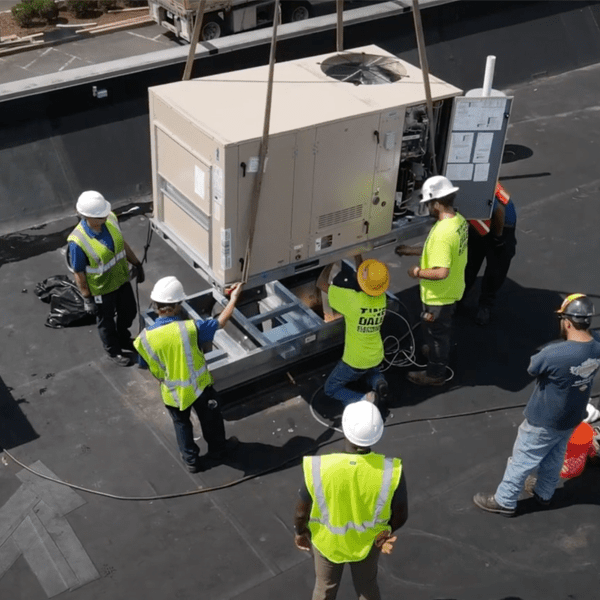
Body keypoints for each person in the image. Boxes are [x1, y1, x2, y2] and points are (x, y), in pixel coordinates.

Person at [473, 294, 600, 516]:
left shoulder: (554, 353)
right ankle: (544, 493)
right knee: (555, 455)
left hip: (545, 418)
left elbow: (533, 369)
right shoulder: (597, 345)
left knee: (521, 460)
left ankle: (504, 500)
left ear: (567, 322)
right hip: (573, 416)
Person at [294, 400, 408, 600]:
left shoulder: (320, 467)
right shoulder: (390, 471)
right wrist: (386, 532)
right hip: (368, 543)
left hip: (328, 543)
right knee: (367, 587)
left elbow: (301, 513)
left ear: (345, 428)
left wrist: (300, 533)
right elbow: (401, 514)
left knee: (324, 587)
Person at [134, 276, 243, 473]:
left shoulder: (144, 338)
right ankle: (218, 451)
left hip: (171, 391)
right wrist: (234, 298)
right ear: (176, 306)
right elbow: (220, 322)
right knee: (211, 420)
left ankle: (191, 460)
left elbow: (145, 364)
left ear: (157, 304)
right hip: (199, 387)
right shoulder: (191, 328)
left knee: (181, 424)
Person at [396, 175, 468, 386]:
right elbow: (436, 252)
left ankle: (435, 373)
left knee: (437, 334)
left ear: (437, 203)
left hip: (439, 296)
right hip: (452, 290)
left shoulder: (443, 234)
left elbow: (441, 271)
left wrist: (417, 272)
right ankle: (434, 350)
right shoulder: (458, 221)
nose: (427, 207)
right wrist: (410, 251)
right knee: (436, 329)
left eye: (428, 203)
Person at [68, 191, 144, 367]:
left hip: (121, 280)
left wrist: (136, 263)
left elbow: (121, 243)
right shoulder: (78, 241)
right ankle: (114, 351)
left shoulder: (110, 219)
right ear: (87, 216)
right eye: (99, 216)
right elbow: (79, 273)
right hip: (102, 289)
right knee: (106, 322)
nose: (104, 217)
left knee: (129, 311)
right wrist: (87, 298)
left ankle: (124, 338)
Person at [317, 256, 389, 407]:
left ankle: (365, 398)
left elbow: (321, 283)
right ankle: (378, 381)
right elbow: (366, 281)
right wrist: (357, 255)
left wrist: (330, 261)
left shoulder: (351, 300)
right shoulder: (381, 298)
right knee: (369, 371)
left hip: (354, 360)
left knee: (331, 388)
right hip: (376, 355)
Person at [462, 181, 517, 326]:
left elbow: (499, 212)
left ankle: (485, 306)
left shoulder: (480, 193)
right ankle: (459, 298)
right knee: (469, 263)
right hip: (481, 223)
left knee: (495, 270)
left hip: (501, 226)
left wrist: (498, 238)